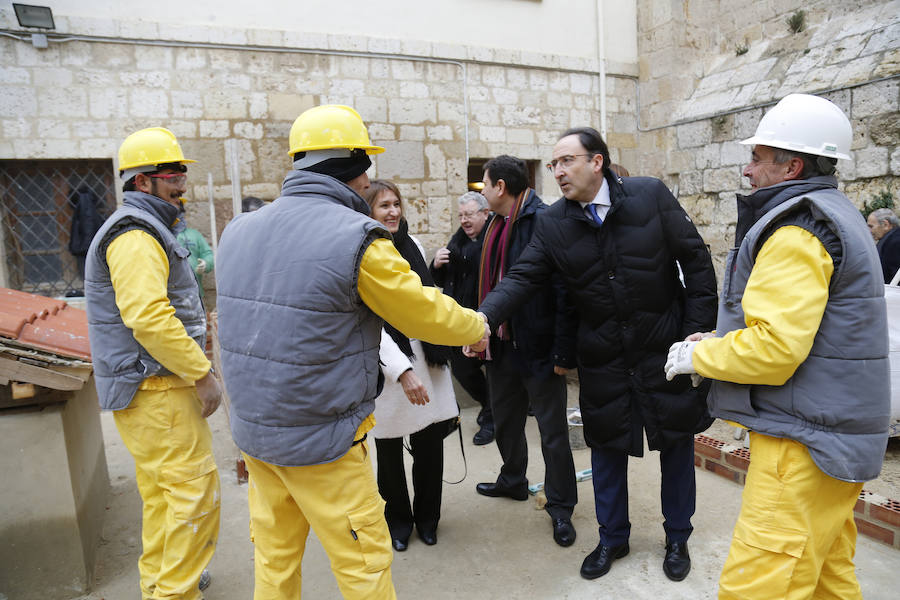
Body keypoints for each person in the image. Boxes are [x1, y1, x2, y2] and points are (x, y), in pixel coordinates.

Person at [214, 105, 488, 600]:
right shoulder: (357, 238)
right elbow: (421, 311)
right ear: (356, 168)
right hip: (323, 439)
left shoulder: (237, 230)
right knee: (363, 566)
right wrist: (477, 323)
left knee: (274, 562)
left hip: (257, 435)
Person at [665, 93, 891, 599]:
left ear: (791, 166)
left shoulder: (796, 231)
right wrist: (724, 341)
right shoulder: (835, 213)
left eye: (757, 157)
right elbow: (804, 330)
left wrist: (696, 356)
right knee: (828, 580)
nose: (747, 170)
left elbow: (773, 350)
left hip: (804, 445)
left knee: (756, 586)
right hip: (831, 438)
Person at [474, 129, 717, 582]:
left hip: (665, 347)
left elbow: (697, 262)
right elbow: (522, 277)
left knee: (677, 443)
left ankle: (678, 535)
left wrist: (695, 335)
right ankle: (612, 538)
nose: (558, 172)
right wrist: (482, 320)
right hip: (603, 356)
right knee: (606, 447)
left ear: (598, 161)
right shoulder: (553, 224)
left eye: (567, 161)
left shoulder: (649, 195)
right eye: (553, 165)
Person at [84, 127, 223, 599]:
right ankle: (174, 594)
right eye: (172, 173)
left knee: (167, 500)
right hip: (156, 389)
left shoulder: (151, 228)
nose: (182, 181)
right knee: (191, 498)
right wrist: (201, 374)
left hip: (154, 388)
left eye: (183, 171)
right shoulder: (135, 234)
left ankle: (160, 587)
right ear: (142, 182)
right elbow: (148, 317)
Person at [471, 155, 579, 547]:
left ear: (501, 187)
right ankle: (513, 479)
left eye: (484, 184)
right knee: (505, 421)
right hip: (501, 344)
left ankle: (562, 508)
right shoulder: (494, 224)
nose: (481, 192)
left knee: (552, 434)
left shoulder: (543, 220)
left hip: (539, 348)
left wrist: (563, 353)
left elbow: (565, 291)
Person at [363, 179, 458, 551]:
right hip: (385, 360)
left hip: (424, 355)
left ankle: (429, 519)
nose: (392, 211)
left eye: (396, 204)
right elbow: (370, 318)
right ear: (367, 210)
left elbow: (428, 300)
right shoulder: (364, 250)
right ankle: (399, 522)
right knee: (388, 449)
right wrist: (399, 369)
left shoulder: (412, 245)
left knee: (429, 444)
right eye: (383, 205)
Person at [430, 191, 494, 445]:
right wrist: (436, 264)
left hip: (491, 317)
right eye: (461, 216)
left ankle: (493, 417)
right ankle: (490, 406)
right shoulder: (457, 242)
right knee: (462, 368)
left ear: (485, 214)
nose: (464, 220)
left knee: (498, 371)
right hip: (462, 318)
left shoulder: (495, 239)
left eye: (469, 215)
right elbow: (441, 281)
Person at [175, 204, 215, 304]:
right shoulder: (165, 233)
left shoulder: (194, 234)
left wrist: (206, 263)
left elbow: (208, 253)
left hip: (196, 292)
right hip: (172, 294)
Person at [867, 207, 900, 283]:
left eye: (871, 226)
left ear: (886, 224)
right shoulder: (890, 239)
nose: (869, 231)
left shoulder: (895, 243)